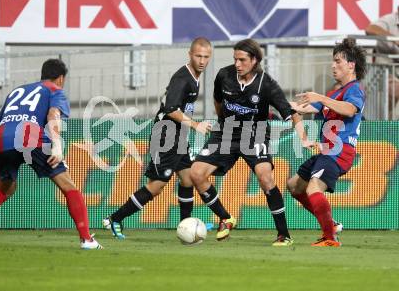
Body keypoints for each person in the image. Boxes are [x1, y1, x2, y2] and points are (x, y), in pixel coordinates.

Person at [0, 59, 103, 250]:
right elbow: (53, 115)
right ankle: (87, 240)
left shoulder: (15, 92)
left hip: (2, 139)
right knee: (69, 186)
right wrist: (57, 146)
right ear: (61, 78)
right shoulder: (55, 90)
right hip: (30, 137)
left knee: (5, 188)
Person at [190, 39, 312, 245]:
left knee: (265, 178)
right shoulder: (224, 75)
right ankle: (226, 218)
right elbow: (218, 101)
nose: (237, 64)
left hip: (254, 135)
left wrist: (304, 138)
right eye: (235, 59)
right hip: (226, 133)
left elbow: (292, 114)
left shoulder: (268, 85)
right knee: (196, 173)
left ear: (254, 60)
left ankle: (284, 235)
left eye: (242, 60)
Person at [102, 37, 213, 239]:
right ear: (190, 54)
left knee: (188, 179)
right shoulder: (183, 78)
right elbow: (170, 109)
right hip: (166, 136)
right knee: (157, 185)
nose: (202, 60)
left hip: (179, 136)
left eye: (206, 56)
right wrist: (196, 125)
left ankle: (185, 225)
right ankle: (115, 219)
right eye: (198, 56)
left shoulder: (194, 77)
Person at [288, 38, 366, 247]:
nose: (333, 65)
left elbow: (350, 109)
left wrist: (321, 98)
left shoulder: (354, 89)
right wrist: (277, 100)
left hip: (339, 153)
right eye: (333, 61)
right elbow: (302, 108)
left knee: (313, 189)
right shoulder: (334, 94)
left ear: (351, 65)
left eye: (338, 61)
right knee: (295, 186)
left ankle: (330, 237)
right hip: (327, 152)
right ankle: (330, 224)